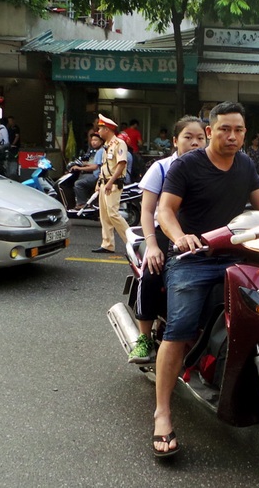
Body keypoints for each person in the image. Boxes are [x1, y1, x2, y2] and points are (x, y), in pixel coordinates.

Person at [152, 101, 259, 458]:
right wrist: (181, 237)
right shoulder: (187, 165)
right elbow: (165, 210)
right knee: (179, 329)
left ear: (245, 133)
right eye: (224, 129)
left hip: (236, 252)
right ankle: (162, 413)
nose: (232, 136)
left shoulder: (245, 164)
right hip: (192, 258)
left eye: (239, 130)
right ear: (211, 130)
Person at [128, 116, 207, 363]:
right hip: (163, 233)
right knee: (152, 272)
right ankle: (143, 339)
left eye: (200, 138)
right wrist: (152, 245)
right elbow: (148, 211)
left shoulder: (211, 169)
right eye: (188, 137)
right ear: (175, 140)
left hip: (199, 234)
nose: (195, 143)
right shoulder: (161, 168)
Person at [92, 114, 129, 254]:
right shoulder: (106, 145)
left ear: (107, 129)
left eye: (100, 128)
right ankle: (107, 244)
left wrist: (110, 182)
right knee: (104, 216)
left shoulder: (119, 144)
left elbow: (121, 165)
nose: (99, 132)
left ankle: (132, 241)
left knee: (113, 214)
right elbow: (105, 166)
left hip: (113, 184)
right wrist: (99, 182)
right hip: (104, 183)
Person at [72, 132, 104, 209]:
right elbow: (96, 164)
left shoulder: (100, 151)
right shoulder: (98, 151)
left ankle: (82, 203)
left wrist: (80, 168)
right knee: (81, 177)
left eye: (96, 140)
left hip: (97, 176)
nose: (93, 142)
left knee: (78, 184)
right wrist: (84, 164)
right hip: (96, 174)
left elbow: (95, 167)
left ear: (101, 141)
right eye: (92, 140)